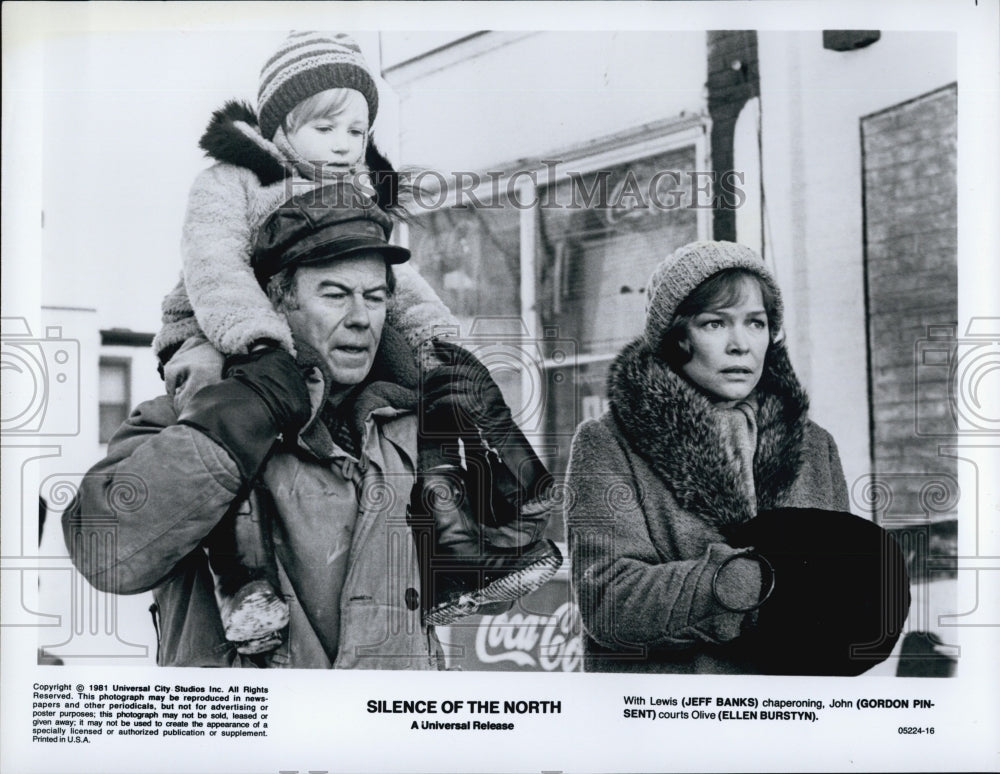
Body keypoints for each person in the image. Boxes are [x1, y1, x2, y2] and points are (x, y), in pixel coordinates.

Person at [152, 31, 560, 651]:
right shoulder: (235, 178)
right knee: (220, 408)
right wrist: (258, 343)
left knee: (440, 384)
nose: (345, 146)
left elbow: (398, 280)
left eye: (357, 131)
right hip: (219, 327)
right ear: (280, 126)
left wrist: (439, 344)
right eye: (327, 129)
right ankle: (240, 576)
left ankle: (463, 534)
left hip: (311, 328)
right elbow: (214, 266)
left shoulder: (357, 191)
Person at [63, 185, 557, 668]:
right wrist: (240, 416)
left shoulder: (409, 429)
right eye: (336, 294)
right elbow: (105, 554)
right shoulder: (186, 414)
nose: (362, 318)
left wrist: (501, 448)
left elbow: (481, 591)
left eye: (376, 296)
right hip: (246, 741)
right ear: (277, 303)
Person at [564, 240, 860, 674]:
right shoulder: (609, 442)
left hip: (789, 718)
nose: (741, 344)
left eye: (756, 323)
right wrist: (756, 584)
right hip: (667, 720)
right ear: (676, 337)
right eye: (715, 323)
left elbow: (847, 589)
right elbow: (610, 602)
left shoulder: (814, 446)